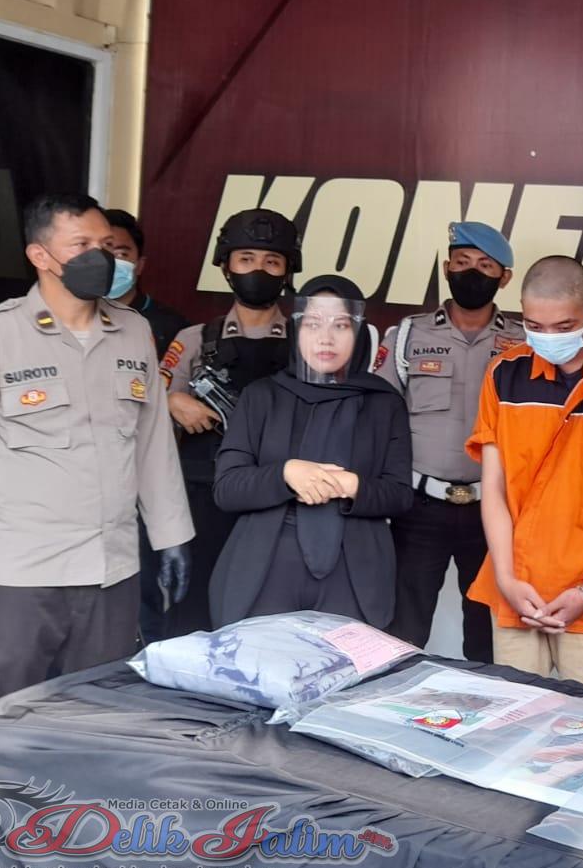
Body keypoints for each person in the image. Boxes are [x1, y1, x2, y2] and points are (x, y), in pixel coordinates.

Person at [0, 192, 193, 721]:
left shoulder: (133, 331)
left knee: (92, 722)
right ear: (40, 256)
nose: (100, 257)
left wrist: (171, 535)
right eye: (81, 245)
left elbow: (152, 442)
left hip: (111, 573)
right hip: (17, 578)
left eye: (105, 244)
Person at [466, 256, 583, 690]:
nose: (548, 338)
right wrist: (506, 580)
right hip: (517, 588)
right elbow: (493, 488)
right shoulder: (503, 373)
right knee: (513, 715)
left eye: (564, 326)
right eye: (535, 326)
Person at [210, 276, 412, 626]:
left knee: (344, 660)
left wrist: (351, 485)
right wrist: (286, 474)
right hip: (265, 565)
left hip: (354, 571)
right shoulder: (263, 396)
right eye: (313, 324)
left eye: (341, 325)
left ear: (359, 333)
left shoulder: (384, 403)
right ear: (296, 329)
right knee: (262, 657)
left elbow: (400, 495)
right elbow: (227, 489)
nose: (325, 338)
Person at [378, 222, 524, 663]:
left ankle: (484, 704)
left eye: (485, 266)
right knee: (402, 630)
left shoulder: (524, 342)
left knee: (487, 635)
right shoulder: (408, 334)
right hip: (420, 507)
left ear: (504, 278)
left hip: (494, 510)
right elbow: (378, 413)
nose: (471, 273)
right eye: (462, 263)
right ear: (446, 268)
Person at [156, 208, 298, 638]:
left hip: (279, 498)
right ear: (226, 267)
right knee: (195, 615)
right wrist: (172, 401)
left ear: (288, 270)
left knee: (271, 620)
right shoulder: (196, 339)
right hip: (205, 499)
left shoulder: (307, 343)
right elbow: (144, 412)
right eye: (246, 259)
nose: (259, 270)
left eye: (272, 262)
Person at [102, 208, 190, 358]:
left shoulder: (172, 328)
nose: (111, 262)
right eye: (102, 253)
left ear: (140, 265)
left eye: (121, 254)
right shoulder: (68, 319)